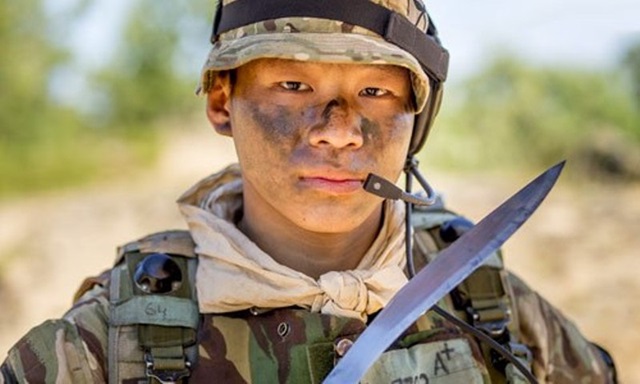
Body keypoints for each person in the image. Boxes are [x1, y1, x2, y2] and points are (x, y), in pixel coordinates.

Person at [1, 0, 617, 383]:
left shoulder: (481, 296)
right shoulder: (107, 343)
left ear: (416, 120)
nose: (339, 131)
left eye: (375, 93)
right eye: (293, 86)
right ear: (223, 101)